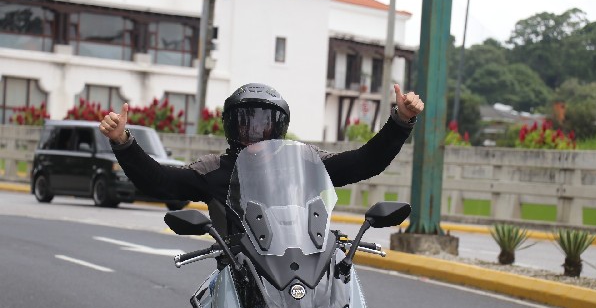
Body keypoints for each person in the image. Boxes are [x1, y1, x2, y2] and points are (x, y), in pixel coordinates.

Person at [99, 82, 424, 236]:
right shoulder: (215, 170)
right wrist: (123, 142)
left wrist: (401, 121)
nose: (254, 132)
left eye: (264, 123)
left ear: (278, 127)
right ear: (231, 127)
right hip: (239, 273)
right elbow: (159, 181)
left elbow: (364, 162)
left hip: (306, 269)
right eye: (245, 123)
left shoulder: (306, 162)